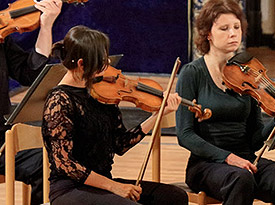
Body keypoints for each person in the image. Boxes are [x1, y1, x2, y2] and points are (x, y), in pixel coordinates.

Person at [41, 25, 187, 205]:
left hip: (102, 185)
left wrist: (158, 115)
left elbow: (120, 144)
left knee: (174, 197)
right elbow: (66, 165)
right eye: (101, 61)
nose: (108, 64)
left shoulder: (101, 94)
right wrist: (114, 187)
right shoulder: (59, 100)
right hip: (71, 190)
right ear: (81, 64)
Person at [175, 0, 275, 204]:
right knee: (240, 179)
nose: (233, 33)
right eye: (224, 28)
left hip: (245, 160)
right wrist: (227, 157)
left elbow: (254, 140)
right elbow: (185, 135)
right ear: (208, 33)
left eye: (236, 27)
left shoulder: (248, 77)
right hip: (206, 164)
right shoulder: (192, 73)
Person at [0, 1, 60, 204]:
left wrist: (46, 25)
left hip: (1, 136)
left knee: (50, 163)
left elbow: (29, 73)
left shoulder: (2, 40)